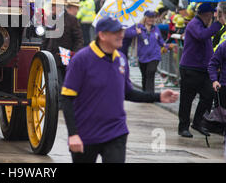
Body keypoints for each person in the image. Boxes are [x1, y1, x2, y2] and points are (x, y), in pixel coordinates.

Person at [61, 16, 179, 163]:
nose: (121, 35)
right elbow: (67, 98)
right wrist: (73, 134)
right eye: (116, 32)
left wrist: (158, 96)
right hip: (86, 133)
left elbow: (128, 93)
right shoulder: (81, 59)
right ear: (102, 35)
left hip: (115, 132)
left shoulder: (121, 59)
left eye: (121, 31)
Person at [178, 2, 224, 138]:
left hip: (202, 69)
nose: (214, 16)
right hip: (190, 68)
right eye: (213, 14)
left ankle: (197, 122)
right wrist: (218, 24)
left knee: (208, 95)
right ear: (207, 14)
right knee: (187, 99)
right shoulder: (194, 24)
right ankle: (183, 127)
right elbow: (201, 35)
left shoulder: (203, 25)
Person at [44, 0, 84, 108]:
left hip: (66, 56)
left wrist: (75, 54)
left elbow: (79, 39)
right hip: (52, 55)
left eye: (54, 5)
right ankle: (58, 103)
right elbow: (46, 38)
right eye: (52, 5)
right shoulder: (50, 19)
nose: (52, 7)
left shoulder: (71, 20)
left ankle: (65, 103)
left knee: (65, 81)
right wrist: (43, 51)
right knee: (54, 81)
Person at [125, 11, 174, 93]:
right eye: (149, 17)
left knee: (150, 73)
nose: (151, 19)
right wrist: (136, 32)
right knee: (145, 76)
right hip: (142, 56)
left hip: (155, 55)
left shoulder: (156, 28)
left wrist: (166, 46)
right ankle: (145, 94)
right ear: (145, 18)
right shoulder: (138, 27)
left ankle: (150, 95)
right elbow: (126, 33)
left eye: (153, 17)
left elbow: (160, 40)